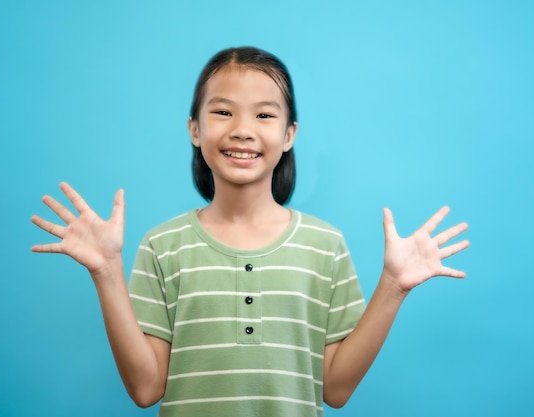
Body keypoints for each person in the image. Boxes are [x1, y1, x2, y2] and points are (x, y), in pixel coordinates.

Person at [31, 46, 470, 417]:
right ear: (194, 129)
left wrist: (393, 286)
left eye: (264, 114)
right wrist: (106, 270)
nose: (242, 130)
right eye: (222, 111)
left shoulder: (325, 246)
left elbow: (335, 390)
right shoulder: (163, 245)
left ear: (289, 134)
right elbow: (146, 390)